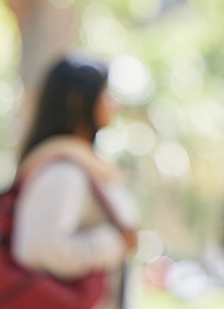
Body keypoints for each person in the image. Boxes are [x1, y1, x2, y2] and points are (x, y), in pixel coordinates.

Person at [11, 57, 140, 309]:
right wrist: (116, 242)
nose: (114, 103)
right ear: (78, 101)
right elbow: (42, 249)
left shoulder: (81, 167)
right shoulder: (62, 174)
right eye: (105, 93)